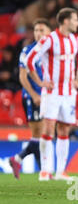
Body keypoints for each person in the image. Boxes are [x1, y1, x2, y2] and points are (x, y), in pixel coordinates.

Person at [25, 8, 78, 181]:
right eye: (75, 20)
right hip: (51, 93)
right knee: (48, 129)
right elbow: (30, 60)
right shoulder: (49, 39)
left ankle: (60, 171)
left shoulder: (75, 40)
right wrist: (40, 82)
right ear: (66, 21)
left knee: (65, 129)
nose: (77, 23)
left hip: (69, 94)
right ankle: (45, 170)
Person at [9, 19, 52, 179]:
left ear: (49, 32)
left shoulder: (51, 51)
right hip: (32, 97)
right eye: (36, 30)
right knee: (39, 135)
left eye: (42, 30)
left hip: (47, 97)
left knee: (42, 136)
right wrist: (34, 95)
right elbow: (22, 77)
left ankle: (18, 159)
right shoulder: (28, 51)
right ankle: (43, 172)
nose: (38, 34)